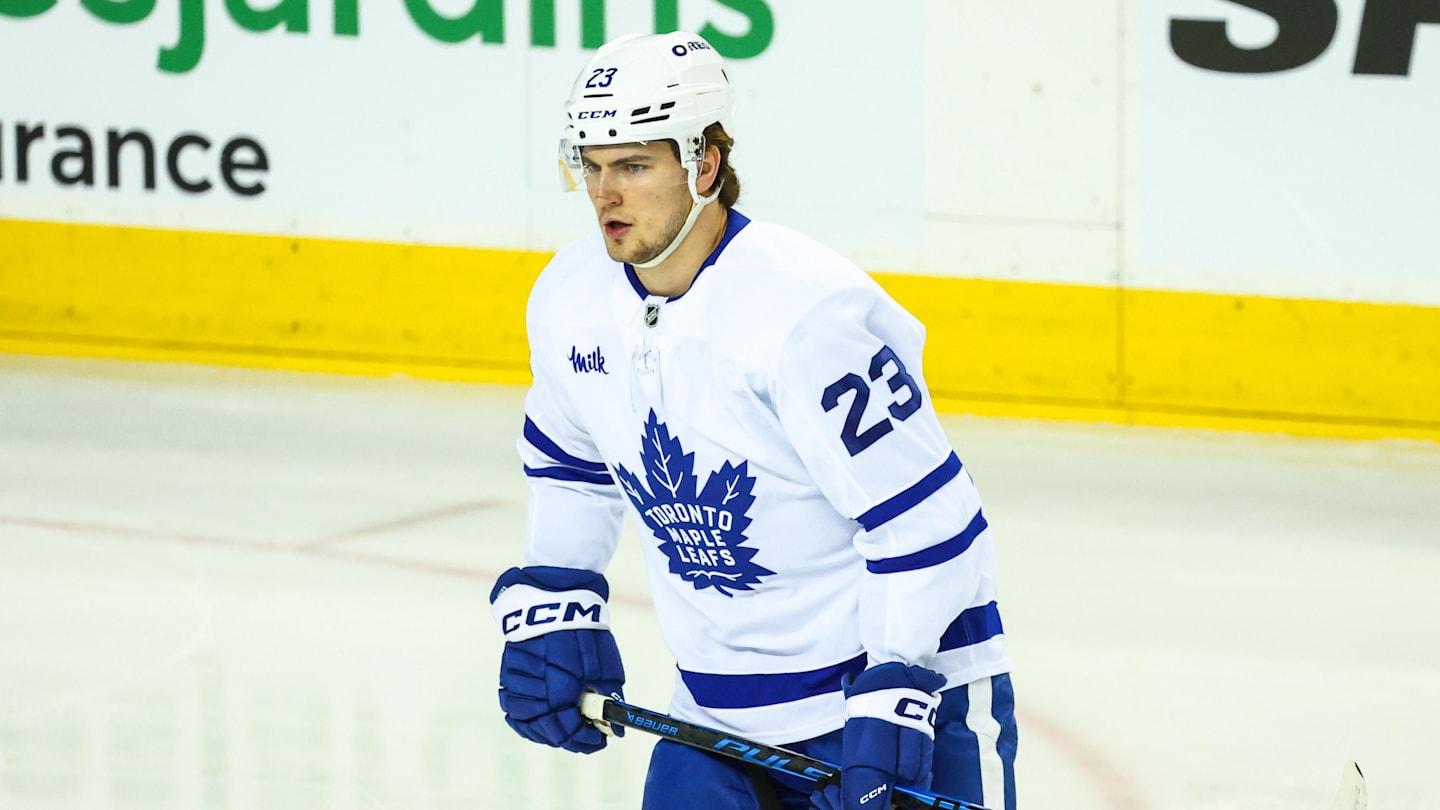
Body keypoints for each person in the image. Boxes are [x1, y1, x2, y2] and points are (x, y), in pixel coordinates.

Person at [488, 30, 1018, 810]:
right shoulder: (569, 302)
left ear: (704, 164)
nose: (606, 194)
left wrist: (897, 686)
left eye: (634, 165)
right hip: (710, 714)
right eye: (592, 166)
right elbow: (572, 461)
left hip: (883, 705)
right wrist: (559, 590)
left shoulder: (805, 315)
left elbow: (926, 520)